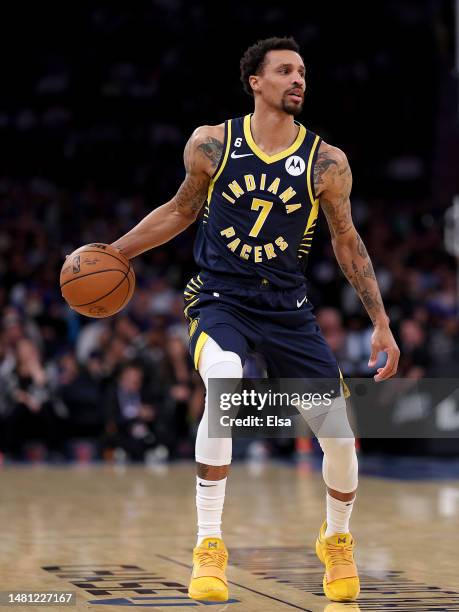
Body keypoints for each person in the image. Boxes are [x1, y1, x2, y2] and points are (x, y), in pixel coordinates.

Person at [111, 36, 400, 604]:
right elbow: (179, 210)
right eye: (286, 71)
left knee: (340, 436)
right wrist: (118, 252)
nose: (299, 80)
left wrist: (381, 321)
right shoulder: (213, 144)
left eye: (303, 72)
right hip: (221, 298)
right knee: (223, 382)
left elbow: (347, 242)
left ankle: (336, 542)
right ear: (256, 82)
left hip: (288, 310)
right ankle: (209, 546)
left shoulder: (327, 162)